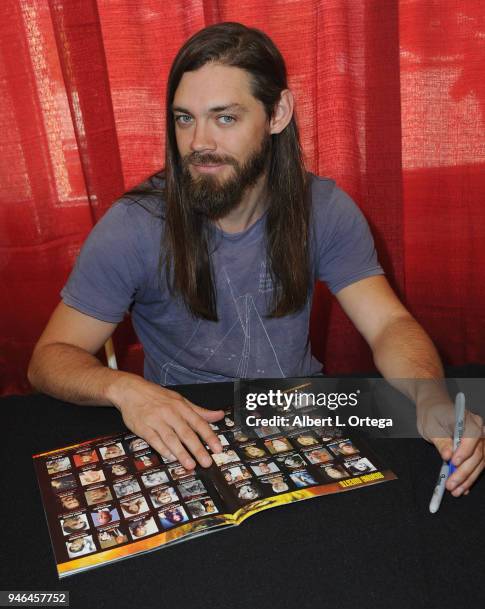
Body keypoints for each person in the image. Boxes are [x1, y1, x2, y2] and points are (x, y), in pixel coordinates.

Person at [28, 22, 484, 496]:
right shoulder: (133, 224)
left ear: (278, 113)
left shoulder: (323, 208)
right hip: (185, 428)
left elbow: (388, 323)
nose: (199, 142)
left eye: (225, 118)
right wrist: (124, 389)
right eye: (185, 118)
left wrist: (431, 396)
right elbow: (48, 359)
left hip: (301, 415)